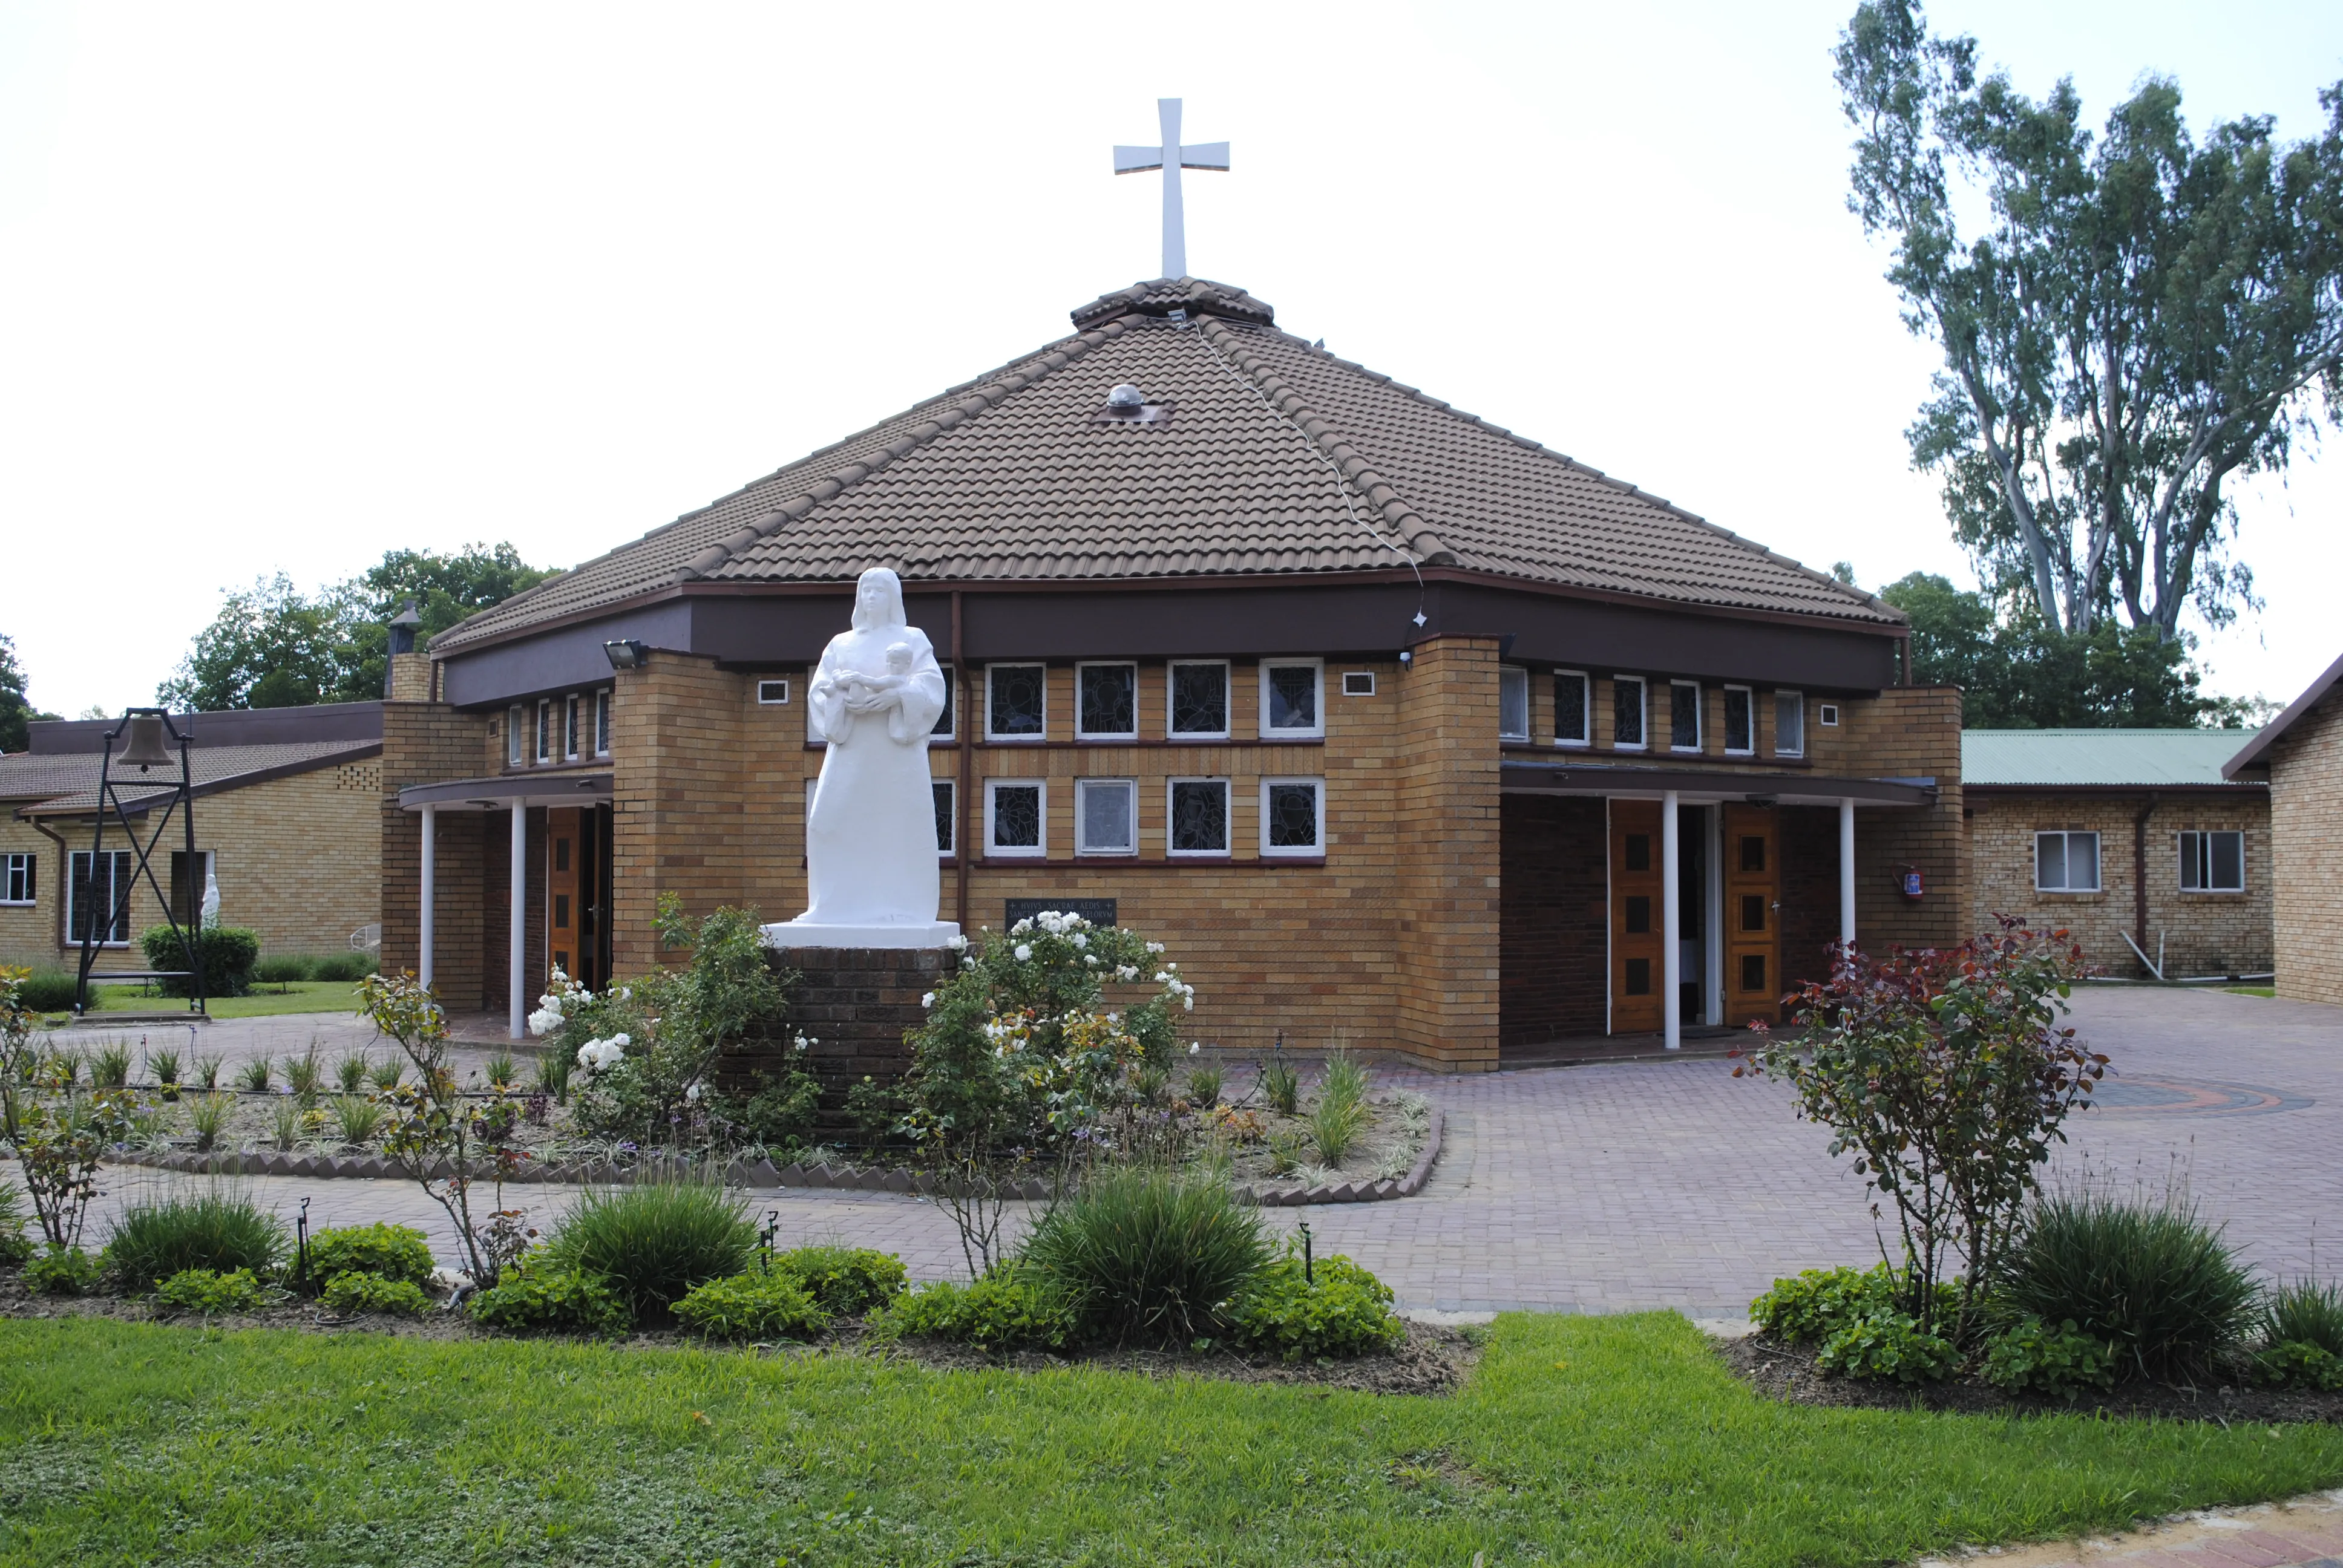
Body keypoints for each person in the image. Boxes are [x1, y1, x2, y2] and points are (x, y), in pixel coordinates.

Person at [797, 568, 948, 928]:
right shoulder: (840, 644)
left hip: (894, 752)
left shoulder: (913, 639)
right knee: (827, 821)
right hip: (852, 747)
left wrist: (897, 696)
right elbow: (819, 689)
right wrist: (840, 697)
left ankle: (904, 906)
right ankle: (830, 906)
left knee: (896, 823)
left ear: (893, 597)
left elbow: (930, 686)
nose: (871, 597)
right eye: (866, 590)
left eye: (879, 590)